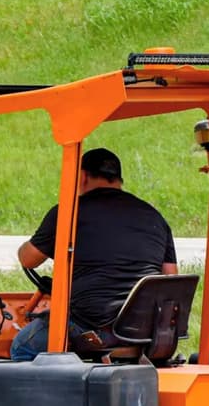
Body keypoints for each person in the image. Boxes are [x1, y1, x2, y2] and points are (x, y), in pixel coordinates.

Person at [10, 147, 177, 361]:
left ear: (82, 176)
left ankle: (57, 393)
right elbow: (171, 277)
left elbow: (29, 259)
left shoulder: (69, 213)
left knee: (22, 347)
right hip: (145, 331)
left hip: (90, 326)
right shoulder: (155, 217)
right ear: (118, 178)